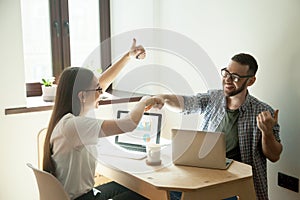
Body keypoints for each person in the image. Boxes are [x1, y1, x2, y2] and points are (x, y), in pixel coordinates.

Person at [43, 39, 162, 200]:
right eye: (98, 90)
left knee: (131, 186)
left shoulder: (66, 120)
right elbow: (128, 124)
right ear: (82, 96)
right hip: (83, 198)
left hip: (83, 195)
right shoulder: (74, 126)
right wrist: (144, 101)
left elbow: (100, 84)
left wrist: (128, 56)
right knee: (148, 195)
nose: (102, 93)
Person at [152, 53, 282, 200]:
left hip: (237, 186)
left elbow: (274, 156)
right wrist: (164, 98)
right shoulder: (213, 98)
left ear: (251, 81)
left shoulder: (263, 112)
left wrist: (267, 132)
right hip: (205, 177)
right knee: (167, 191)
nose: (227, 80)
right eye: (226, 73)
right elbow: (187, 103)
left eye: (235, 77)